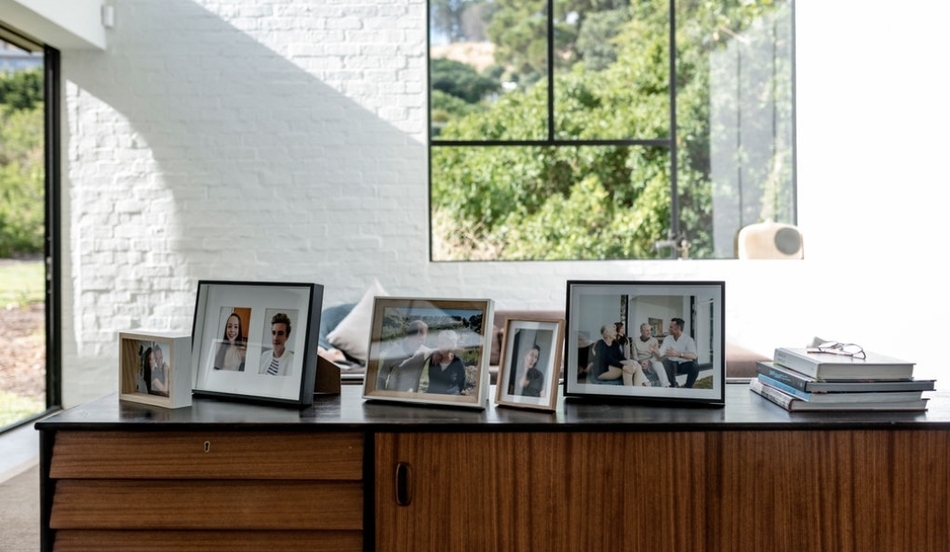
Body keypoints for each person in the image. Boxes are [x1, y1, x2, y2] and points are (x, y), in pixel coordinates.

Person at [377, 320, 431, 392]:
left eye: (423, 340)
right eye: (419, 339)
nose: (421, 343)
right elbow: (381, 377)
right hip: (391, 397)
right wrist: (382, 395)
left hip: (412, 397)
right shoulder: (393, 353)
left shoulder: (426, 352)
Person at [421, 329, 468, 395]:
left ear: (451, 344)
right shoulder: (434, 359)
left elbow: (461, 383)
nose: (439, 345)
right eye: (439, 342)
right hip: (433, 397)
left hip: (451, 398)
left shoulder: (458, 361)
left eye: (442, 343)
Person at [658, 317, 699, 388]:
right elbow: (661, 352)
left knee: (695, 366)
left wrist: (678, 354)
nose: (669, 329)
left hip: (684, 365)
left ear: (678, 329)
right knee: (666, 362)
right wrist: (654, 350)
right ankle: (673, 386)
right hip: (672, 365)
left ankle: (688, 387)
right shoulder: (667, 339)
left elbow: (694, 355)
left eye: (671, 327)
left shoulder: (688, 339)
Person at [631, 323, 671, 387]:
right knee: (634, 363)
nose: (649, 332)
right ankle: (647, 383)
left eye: (650, 330)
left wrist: (648, 362)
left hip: (650, 363)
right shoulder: (635, 341)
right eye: (647, 330)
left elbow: (655, 356)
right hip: (640, 363)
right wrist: (641, 362)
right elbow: (635, 356)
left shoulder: (654, 340)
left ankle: (666, 385)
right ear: (641, 331)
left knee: (658, 364)